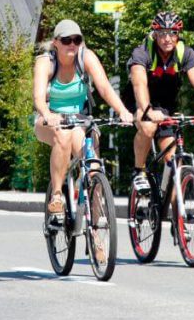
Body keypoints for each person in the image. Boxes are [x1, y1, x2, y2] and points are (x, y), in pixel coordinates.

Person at [33, 19, 134, 214]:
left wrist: (122, 111)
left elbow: (104, 87)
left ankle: (97, 229)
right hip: (50, 117)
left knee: (93, 166)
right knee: (62, 136)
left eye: (76, 40)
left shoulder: (86, 57)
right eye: (66, 40)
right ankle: (56, 197)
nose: (72, 44)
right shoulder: (45, 62)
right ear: (56, 42)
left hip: (79, 119)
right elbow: (38, 97)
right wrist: (48, 114)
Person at [123, 11, 194, 192]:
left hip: (166, 106)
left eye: (172, 33)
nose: (167, 38)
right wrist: (148, 110)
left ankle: (176, 215)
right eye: (162, 33)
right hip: (139, 101)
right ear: (155, 34)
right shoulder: (142, 52)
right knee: (148, 126)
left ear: (178, 34)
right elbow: (139, 84)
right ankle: (139, 171)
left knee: (175, 164)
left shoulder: (185, 53)